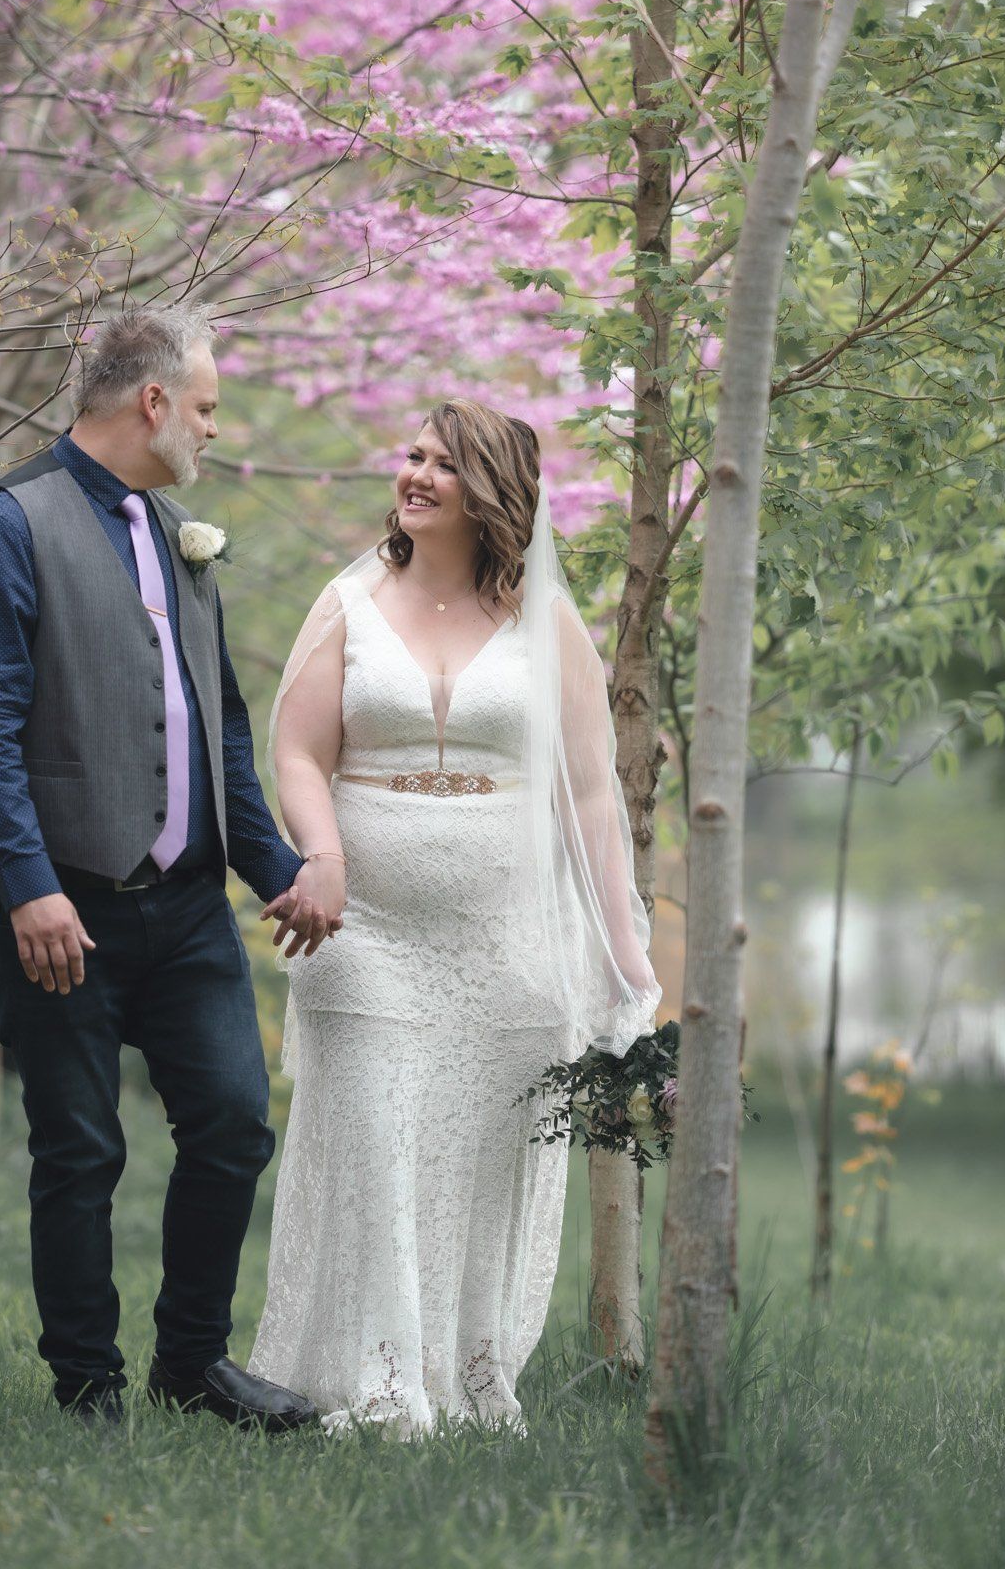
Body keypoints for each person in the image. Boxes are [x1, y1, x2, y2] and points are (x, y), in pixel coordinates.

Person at [0, 305, 328, 1430]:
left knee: (237, 1123)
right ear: (151, 401)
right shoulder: (8, 525)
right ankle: (88, 1387)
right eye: (204, 405)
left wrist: (277, 870)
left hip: (189, 909)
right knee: (80, 1149)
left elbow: (219, 731)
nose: (213, 426)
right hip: (62, 910)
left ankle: (191, 1365)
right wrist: (28, 886)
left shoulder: (180, 533)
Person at [250, 400, 662, 1437]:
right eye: (413, 454)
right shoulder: (347, 599)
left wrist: (621, 947)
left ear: (492, 493)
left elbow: (591, 792)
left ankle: (470, 1371)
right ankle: (385, 1384)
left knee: (482, 1163)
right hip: (365, 929)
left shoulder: (546, 622)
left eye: (443, 462)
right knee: (381, 1142)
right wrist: (326, 853)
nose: (416, 472)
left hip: (505, 940)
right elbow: (296, 750)